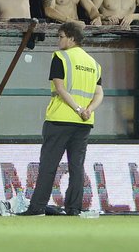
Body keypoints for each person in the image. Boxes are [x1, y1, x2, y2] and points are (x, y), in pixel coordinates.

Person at [23, 21, 103, 217]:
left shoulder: (60, 57)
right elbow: (99, 94)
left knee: (49, 165)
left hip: (60, 119)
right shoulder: (94, 64)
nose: (58, 40)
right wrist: (88, 110)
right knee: (77, 167)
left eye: (61, 36)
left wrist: (76, 108)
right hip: (84, 123)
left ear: (71, 38)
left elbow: (60, 88)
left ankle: (37, 207)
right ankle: (74, 208)